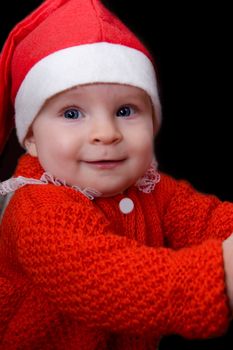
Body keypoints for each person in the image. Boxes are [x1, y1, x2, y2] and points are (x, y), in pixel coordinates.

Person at [1, 0, 233, 349]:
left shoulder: (153, 189)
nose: (106, 133)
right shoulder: (37, 208)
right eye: (72, 113)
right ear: (31, 137)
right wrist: (223, 272)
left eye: (126, 110)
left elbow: (209, 220)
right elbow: (102, 278)